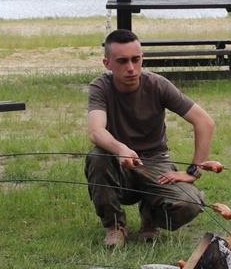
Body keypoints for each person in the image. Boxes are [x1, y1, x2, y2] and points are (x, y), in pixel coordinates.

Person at [85, 29, 216, 246]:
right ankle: (115, 226)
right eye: (122, 61)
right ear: (107, 63)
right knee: (98, 157)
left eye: (136, 59)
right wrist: (120, 149)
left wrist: (193, 171)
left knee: (191, 203)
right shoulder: (100, 87)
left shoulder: (158, 85)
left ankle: (151, 218)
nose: (130, 68)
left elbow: (204, 122)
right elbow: (95, 130)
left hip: (155, 161)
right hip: (118, 164)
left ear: (142, 58)